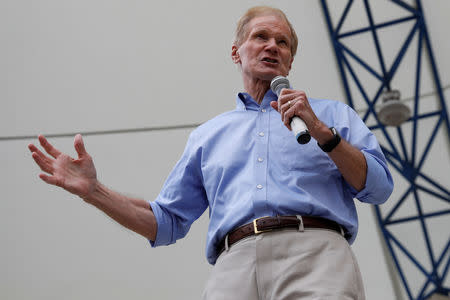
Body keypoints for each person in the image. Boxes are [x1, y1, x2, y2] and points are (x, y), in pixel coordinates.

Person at [28, 6, 393, 300]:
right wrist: (95, 192)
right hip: (233, 263)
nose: (272, 46)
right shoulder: (208, 136)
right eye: (261, 37)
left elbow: (378, 187)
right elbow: (165, 221)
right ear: (236, 52)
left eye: (283, 43)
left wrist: (322, 133)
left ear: (290, 61)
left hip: (315, 254)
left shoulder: (331, 115)